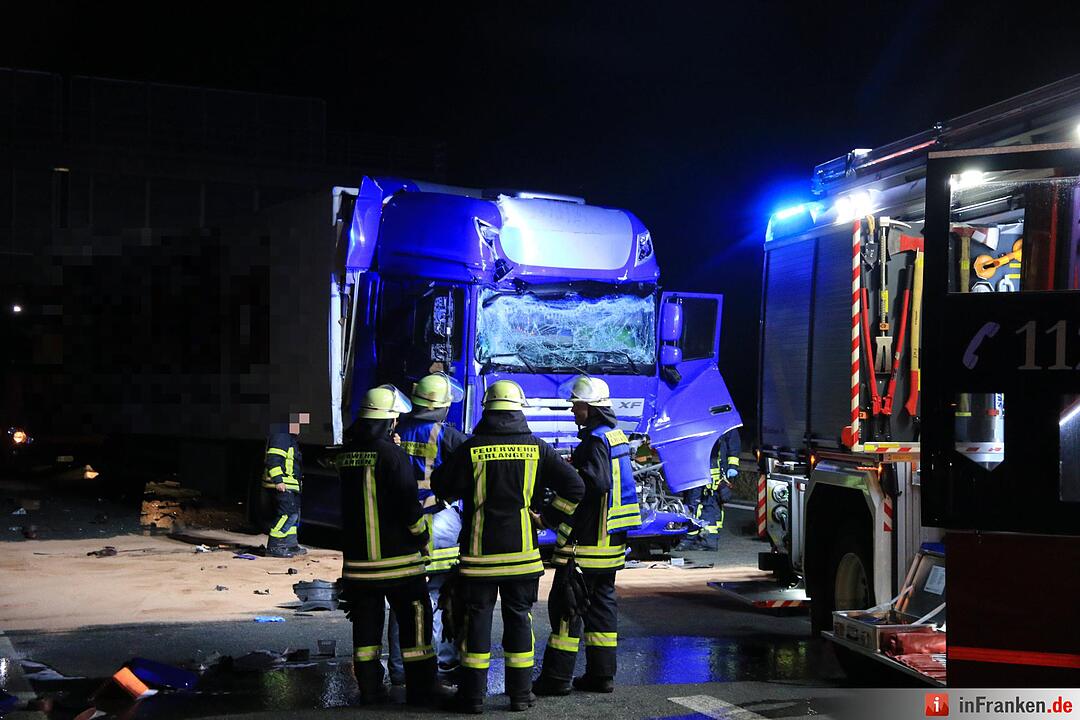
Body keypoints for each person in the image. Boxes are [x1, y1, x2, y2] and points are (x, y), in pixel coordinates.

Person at [432, 380, 584, 714]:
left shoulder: (470, 449)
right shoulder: (537, 447)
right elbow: (576, 487)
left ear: (487, 410)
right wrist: (546, 518)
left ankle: (472, 697)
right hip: (522, 558)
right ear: (518, 410)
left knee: (476, 622)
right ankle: (520, 695)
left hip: (479, 558)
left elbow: (440, 484)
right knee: (519, 621)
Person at [335, 385, 443, 705]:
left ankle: (370, 689)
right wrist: (422, 538)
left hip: (358, 565)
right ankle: (421, 687)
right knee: (415, 623)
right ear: (389, 422)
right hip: (398, 562)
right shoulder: (393, 456)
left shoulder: (346, 454)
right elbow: (409, 505)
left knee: (366, 630)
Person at [534, 375, 640, 696]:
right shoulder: (614, 436)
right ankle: (601, 675)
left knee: (568, 604)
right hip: (612, 542)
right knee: (602, 608)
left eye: (577, 406)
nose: (572, 411)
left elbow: (594, 484)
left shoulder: (595, 441)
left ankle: (556, 678)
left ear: (590, 408)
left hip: (589, 542)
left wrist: (551, 514)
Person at [387, 372, 467, 685]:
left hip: (400, 526)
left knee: (402, 600)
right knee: (440, 594)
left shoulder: (394, 430)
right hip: (439, 524)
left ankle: (399, 669)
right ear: (441, 406)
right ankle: (441, 665)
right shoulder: (447, 435)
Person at [676, 426, 741, 551]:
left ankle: (706, 540)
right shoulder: (695, 420)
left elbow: (733, 445)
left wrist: (732, 466)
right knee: (692, 505)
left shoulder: (724, 421)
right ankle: (692, 538)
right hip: (696, 472)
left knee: (709, 506)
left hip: (713, 475)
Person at [262, 412, 309, 558]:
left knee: (294, 515)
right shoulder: (281, 436)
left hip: (291, 484)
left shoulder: (290, 439)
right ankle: (275, 545)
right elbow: (273, 459)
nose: (299, 428)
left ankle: (290, 544)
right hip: (283, 484)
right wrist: (278, 481)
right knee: (286, 514)